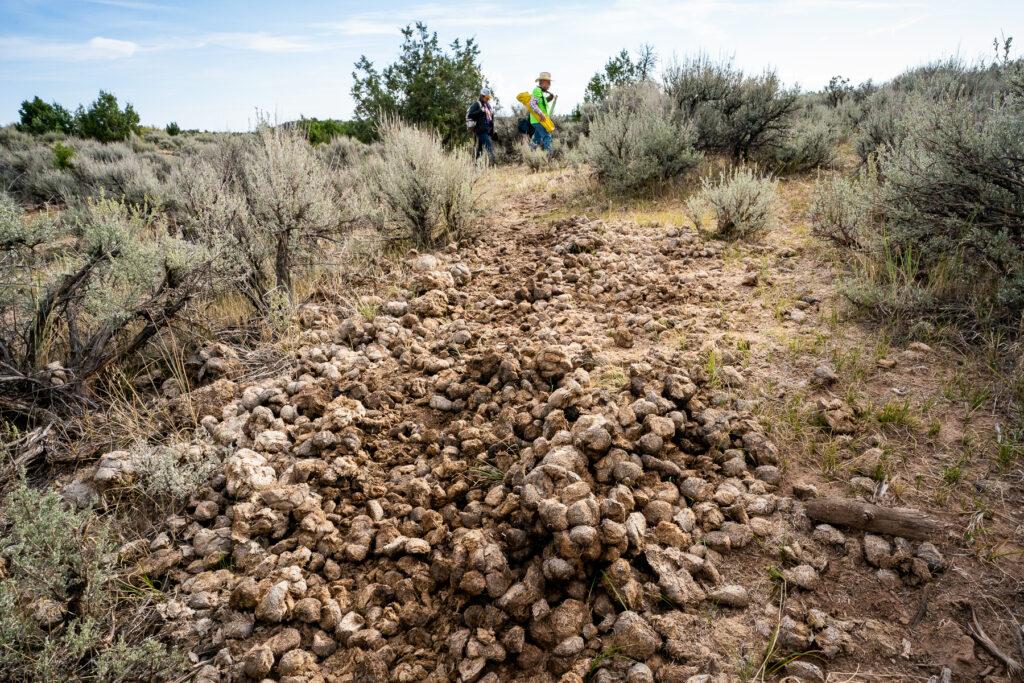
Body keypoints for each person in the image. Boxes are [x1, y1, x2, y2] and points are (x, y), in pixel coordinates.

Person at [529, 72, 557, 152]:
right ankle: (549, 156)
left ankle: (531, 155)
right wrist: (541, 114)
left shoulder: (540, 92)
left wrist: (550, 98)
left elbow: (541, 103)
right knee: (547, 136)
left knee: (537, 139)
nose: (549, 85)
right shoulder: (537, 90)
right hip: (539, 120)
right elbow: (533, 103)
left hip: (538, 120)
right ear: (543, 82)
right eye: (548, 82)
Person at [466, 87, 495, 162]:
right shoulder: (477, 104)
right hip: (480, 130)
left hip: (487, 130)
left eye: (489, 98)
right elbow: (470, 115)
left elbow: (490, 118)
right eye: (487, 97)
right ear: (482, 96)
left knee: (480, 149)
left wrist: (492, 131)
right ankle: (493, 164)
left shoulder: (488, 105)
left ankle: (476, 164)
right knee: (489, 146)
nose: (488, 99)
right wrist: (481, 111)